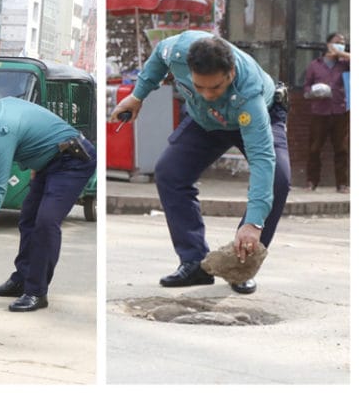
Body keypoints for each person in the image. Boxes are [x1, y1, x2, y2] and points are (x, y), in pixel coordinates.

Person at [110, 30, 291, 295]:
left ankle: (240, 266)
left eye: (215, 87)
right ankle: (194, 263)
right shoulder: (178, 51)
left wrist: (253, 222)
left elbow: (263, 159)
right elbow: (158, 56)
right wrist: (138, 95)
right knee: (170, 172)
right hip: (206, 120)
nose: (207, 93)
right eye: (199, 86)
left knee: (278, 179)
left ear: (230, 73)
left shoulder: (249, 94)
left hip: (256, 116)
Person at [0, 94, 97, 312]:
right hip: (49, 162)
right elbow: (31, 124)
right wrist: (37, 159)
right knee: (28, 219)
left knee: (45, 223)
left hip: (72, 161)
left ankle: (36, 292)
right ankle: (22, 280)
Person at [303, 32, 350, 193]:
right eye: (338, 42)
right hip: (319, 112)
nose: (341, 44)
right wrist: (315, 92)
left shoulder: (345, 63)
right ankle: (311, 182)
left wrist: (341, 53)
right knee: (315, 148)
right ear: (328, 44)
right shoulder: (315, 65)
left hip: (340, 111)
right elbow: (306, 88)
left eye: (343, 43)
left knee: (341, 149)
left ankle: (342, 184)